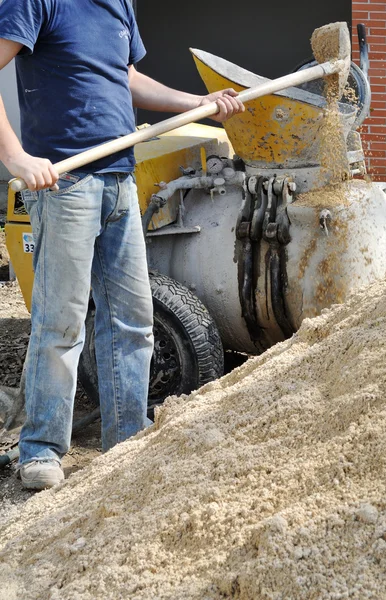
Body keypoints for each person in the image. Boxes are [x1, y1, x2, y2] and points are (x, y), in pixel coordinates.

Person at [0, 0, 244, 490]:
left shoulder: (118, 4)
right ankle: (40, 450)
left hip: (120, 181)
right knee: (62, 321)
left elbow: (127, 77)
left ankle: (127, 438)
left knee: (133, 319)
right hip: (64, 183)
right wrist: (17, 158)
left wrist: (194, 102)